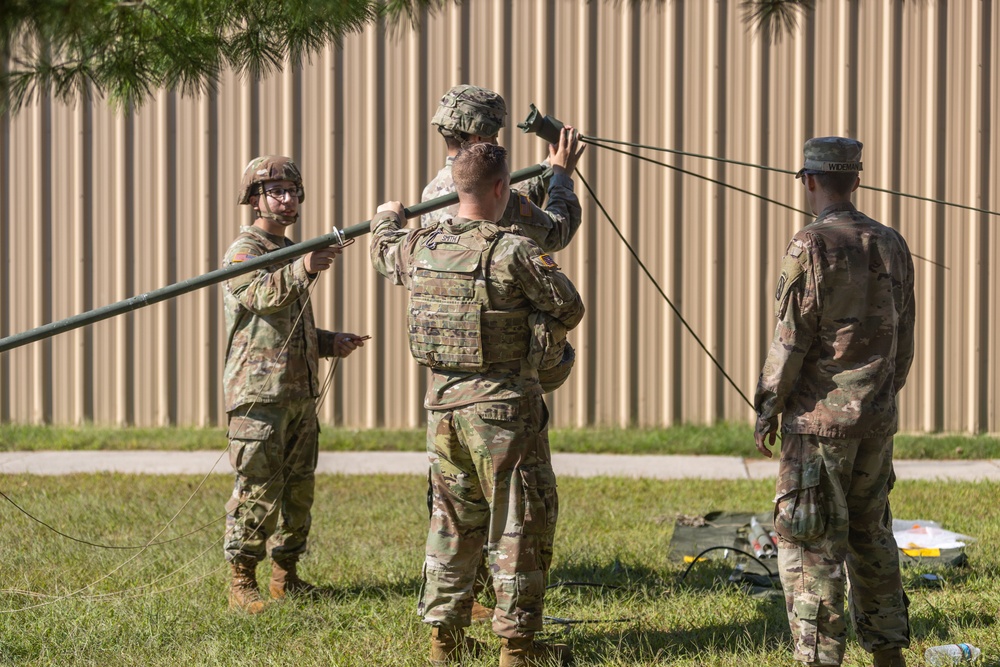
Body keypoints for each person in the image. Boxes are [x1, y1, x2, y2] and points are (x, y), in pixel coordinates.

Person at [371, 142, 585, 666]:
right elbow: (569, 306)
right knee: (518, 524)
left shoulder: (421, 244)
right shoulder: (512, 250)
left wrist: (386, 217)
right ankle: (518, 649)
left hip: (442, 410)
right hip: (503, 412)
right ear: (500, 189)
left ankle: (444, 640)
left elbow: (383, 251)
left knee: (451, 521)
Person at [423, 84, 586, 622]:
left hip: (448, 377)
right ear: (480, 134)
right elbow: (555, 230)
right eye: (492, 133)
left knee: (454, 506)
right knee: (518, 508)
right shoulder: (499, 198)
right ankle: (512, 623)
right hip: (503, 383)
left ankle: (456, 610)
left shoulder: (432, 194)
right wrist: (559, 176)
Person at [754, 137, 915, 667]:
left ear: (809, 180)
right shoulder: (891, 242)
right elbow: (904, 338)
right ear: (858, 179)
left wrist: (768, 406)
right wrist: (882, 397)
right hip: (875, 420)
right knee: (872, 538)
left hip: (820, 428)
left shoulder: (810, 246)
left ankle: (820, 658)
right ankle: (889, 653)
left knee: (812, 548)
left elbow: (790, 338)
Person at [223, 155, 366, 613]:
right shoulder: (245, 251)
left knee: (299, 490)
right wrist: (304, 268)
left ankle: (287, 576)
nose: (286, 199)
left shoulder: (293, 251)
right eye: (275, 191)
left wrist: (329, 342)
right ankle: (241, 582)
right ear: (254, 199)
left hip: (299, 394)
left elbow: (290, 326)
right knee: (257, 490)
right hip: (258, 398)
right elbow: (259, 298)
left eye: (292, 191)